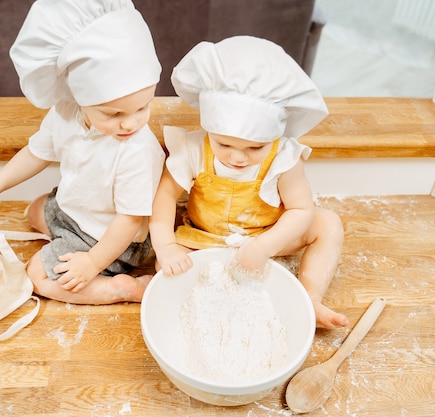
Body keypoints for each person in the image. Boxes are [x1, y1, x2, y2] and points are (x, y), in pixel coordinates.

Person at [0, 0, 165, 305]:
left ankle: (122, 289)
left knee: (36, 276)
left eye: (143, 107)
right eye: (113, 113)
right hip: (75, 210)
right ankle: (69, 245)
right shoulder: (65, 113)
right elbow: (36, 153)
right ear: (79, 97)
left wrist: (92, 262)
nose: (131, 122)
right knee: (33, 210)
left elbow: (129, 221)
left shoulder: (136, 150)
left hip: (112, 237)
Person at [149, 36, 348, 329]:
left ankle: (309, 299)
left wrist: (266, 246)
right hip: (206, 238)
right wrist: (166, 247)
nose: (238, 158)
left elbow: (301, 210)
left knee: (327, 224)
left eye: (255, 148)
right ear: (208, 128)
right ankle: (209, 303)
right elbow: (165, 195)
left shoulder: (283, 156)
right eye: (224, 144)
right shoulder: (192, 147)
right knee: (164, 267)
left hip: (265, 234)